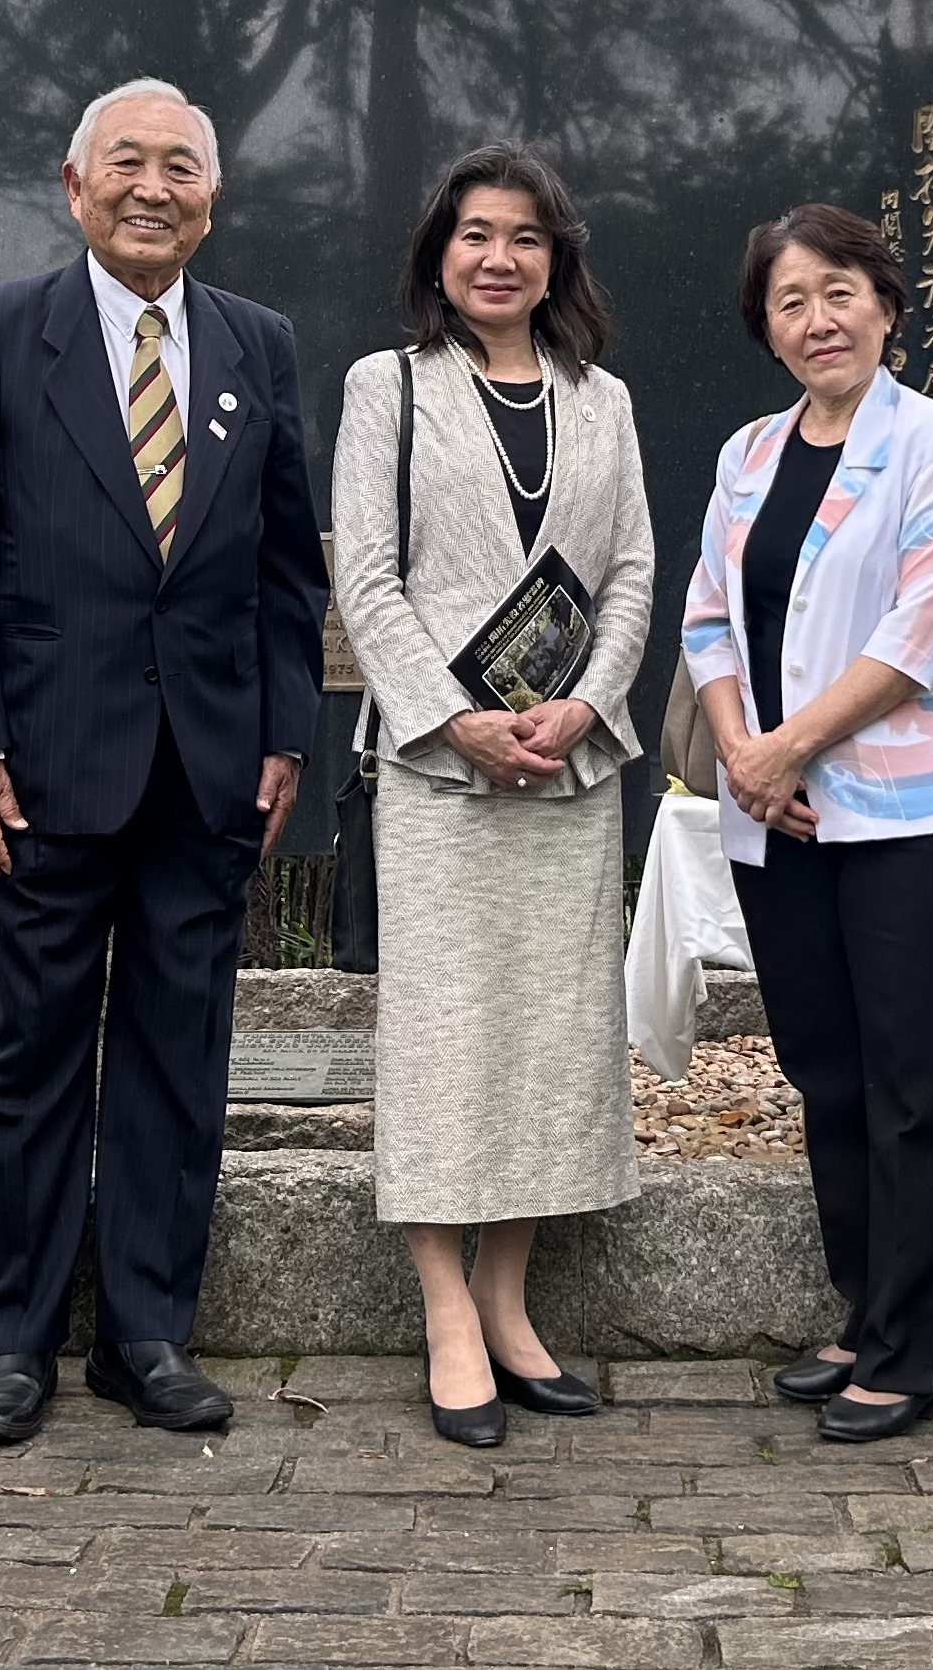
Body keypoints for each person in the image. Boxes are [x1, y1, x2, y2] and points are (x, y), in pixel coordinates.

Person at [0, 77, 328, 1443]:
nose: (156, 188)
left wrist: (282, 736)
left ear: (214, 196)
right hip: (41, 761)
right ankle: (15, 1338)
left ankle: (146, 1330)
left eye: (183, 169)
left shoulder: (257, 343)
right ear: (75, 182)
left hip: (208, 770)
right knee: (27, 1048)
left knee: (176, 1048)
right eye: (129, 164)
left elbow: (283, 565)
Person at [678, 204, 933, 1445]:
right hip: (779, 814)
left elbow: (921, 630)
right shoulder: (748, 452)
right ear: (765, 330)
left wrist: (786, 746)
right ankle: (860, 1303)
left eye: (839, 291)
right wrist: (740, 752)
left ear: (885, 303)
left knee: (915, 1080)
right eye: (788, 300)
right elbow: (708, 617)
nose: (817, 318)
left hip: (920, 819)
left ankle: (910, 1348)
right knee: (826, 1070)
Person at [330, 145, 655, 1448]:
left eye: (523, 235)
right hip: (437, 773)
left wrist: (583, 704)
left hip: (565, 770)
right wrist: (455, 717)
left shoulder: (604, 401)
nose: (498, 256)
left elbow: (630, 567)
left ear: (554, 256)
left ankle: (509, 1299)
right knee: (444, 1035)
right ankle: (442, 1313)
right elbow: (365, 573)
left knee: (545, 1034)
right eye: (474, 233)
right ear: (438, 251)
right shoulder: (387, 388)